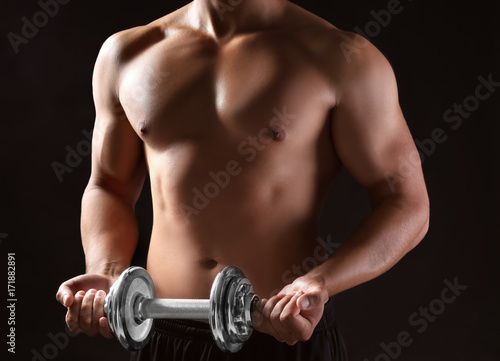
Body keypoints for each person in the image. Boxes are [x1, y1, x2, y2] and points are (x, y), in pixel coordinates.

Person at [56, 0, 429, 360]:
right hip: (162, 333)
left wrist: (321, 283)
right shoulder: (127, 53)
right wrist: (106, 272)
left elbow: (407, 203)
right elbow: (108, 186)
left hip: (279, 334)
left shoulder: (342, 58)